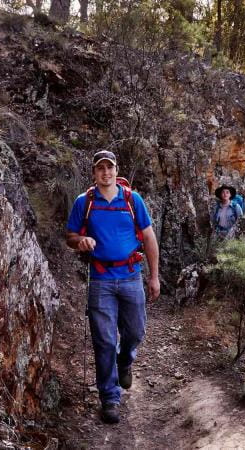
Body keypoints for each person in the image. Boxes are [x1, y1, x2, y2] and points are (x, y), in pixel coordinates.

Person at [65, 150, 160, 424]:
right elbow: (71, 235)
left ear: (117, 170)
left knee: (136, 331)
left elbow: (149, 238)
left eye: (110, 168)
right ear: (94, 173)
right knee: (104, 340)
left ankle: (125, 360)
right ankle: (109, 397)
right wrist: (80, 241)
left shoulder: (132, 200)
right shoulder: (85, 202)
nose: (105, 173)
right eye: (100, 169)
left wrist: (154, 276)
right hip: (100, 279)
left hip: (131, 276)